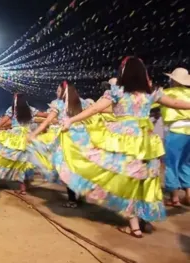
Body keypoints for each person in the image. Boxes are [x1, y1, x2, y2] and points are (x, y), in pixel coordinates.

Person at [60, 57, 190, 238]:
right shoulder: (151, 92)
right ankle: (145, 220)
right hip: (147, 141)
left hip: (124, 140)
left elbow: (95, 109)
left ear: (123, 72)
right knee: (146, 180)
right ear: (143, 73)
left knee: (128, 181)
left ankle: (134, 226)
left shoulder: (117, 92)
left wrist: (71, 120)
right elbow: (176, 104)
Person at [29, 82, 95, 207]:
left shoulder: (59, 104)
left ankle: (72, 199)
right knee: (79, 167)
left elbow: (48, 120)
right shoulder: (83, 102)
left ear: (64, 92)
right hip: (82, 138)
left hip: (67, 139)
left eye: (58, 91)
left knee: (66, 167)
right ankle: (79, 194)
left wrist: (34, 134)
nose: (56, 93)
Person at [0, 94, 36, 195]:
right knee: (26, 161)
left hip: (16, 137)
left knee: (17, 161)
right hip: (28, 136)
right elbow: (44, 115)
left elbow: (2, 122)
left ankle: (22, 187)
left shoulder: (12, 109)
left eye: (15, 97)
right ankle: (27, 185)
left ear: (17, 99)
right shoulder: (30, 109)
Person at [160, 67, 190, 207]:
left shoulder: (167, 93)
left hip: (177, 131)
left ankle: (175, 198)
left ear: (173, 80)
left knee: (171, 164)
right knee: (186, 163)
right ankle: (188, 194)